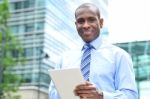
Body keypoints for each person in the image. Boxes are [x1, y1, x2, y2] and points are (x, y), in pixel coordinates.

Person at [49, 3, 138, 99]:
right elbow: (52, 93)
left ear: (101, 22)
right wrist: (69, 92)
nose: (86, 25)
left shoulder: (119, 56)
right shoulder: (64, 58)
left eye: (91, 20)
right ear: (76, 25)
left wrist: (101, 96)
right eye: (81, 21)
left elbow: (131, 96)